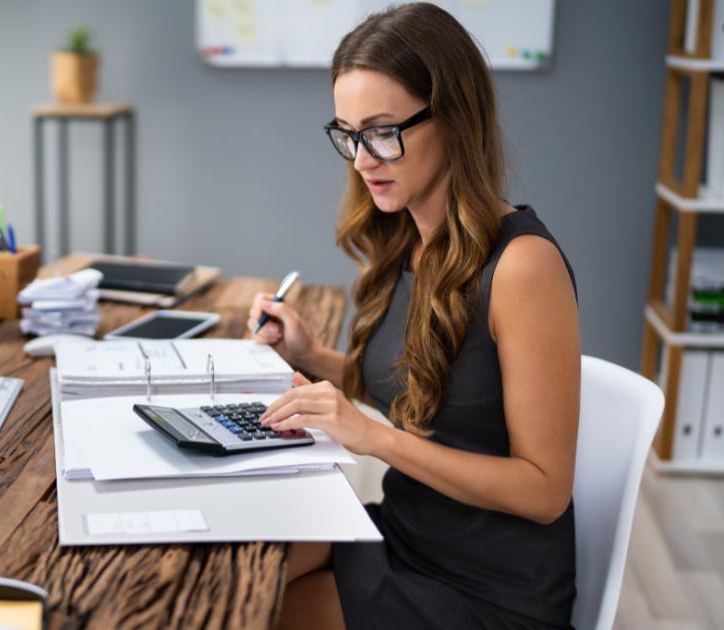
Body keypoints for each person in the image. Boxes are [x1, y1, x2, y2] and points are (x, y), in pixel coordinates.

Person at [247, 4, 580, 629]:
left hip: (488, 590)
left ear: (454, 118)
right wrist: (312, 357)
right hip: (405, 535)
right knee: (228, 572)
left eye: (381, 131)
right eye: (347, 134)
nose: (362, 159)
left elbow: (544, 489)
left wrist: (375, 438)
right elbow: (431, 396)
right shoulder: (410, 242)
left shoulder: (522, 266)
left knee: (252, 611)